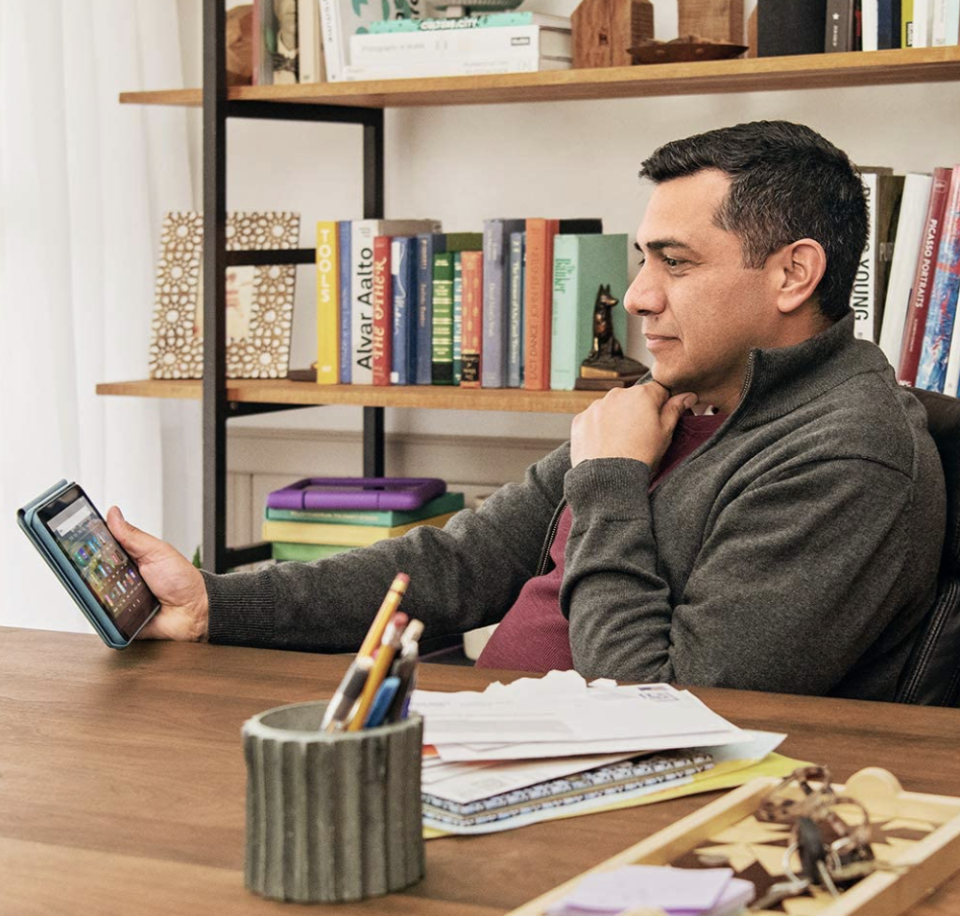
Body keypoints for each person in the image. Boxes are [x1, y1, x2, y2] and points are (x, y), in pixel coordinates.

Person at [107, 121, 945, 701]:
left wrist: (613, 482)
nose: (641, 297)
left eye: (677, 264)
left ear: (795, 274)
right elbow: (454, 566)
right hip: (490, 746)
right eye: (643, 260)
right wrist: (216, 603)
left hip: (615, 804)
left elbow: (665, 707)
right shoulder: (674, 398)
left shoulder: (847, 455)